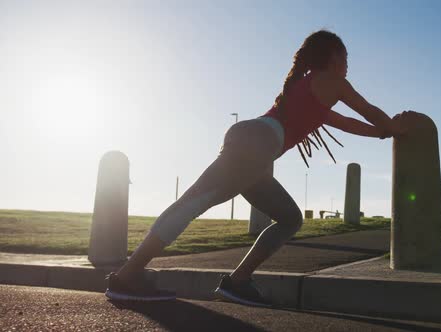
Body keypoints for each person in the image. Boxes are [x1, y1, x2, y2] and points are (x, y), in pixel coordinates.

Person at [104, 29, 407, 306]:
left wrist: (382, 132)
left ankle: (238, 281)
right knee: (194, 203)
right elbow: (367, 111)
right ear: (332, 57)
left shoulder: (310, 89)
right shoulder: (332, 81)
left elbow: (350, 123)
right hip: (257, 144)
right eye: (345, 58)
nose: (347, 65)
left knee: (289, 218)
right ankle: (128, 276)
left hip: (255, 148)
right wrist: (395, 127)